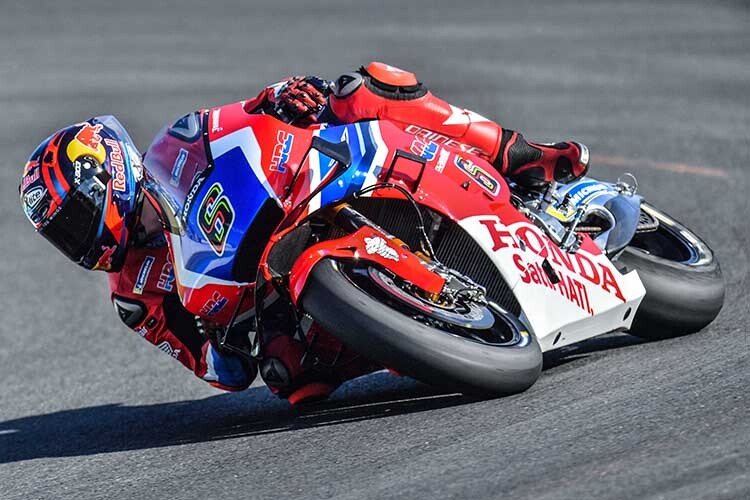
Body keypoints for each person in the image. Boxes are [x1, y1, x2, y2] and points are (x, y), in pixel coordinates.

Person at [19, 62, 589, 404]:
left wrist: (282, 96)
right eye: (62, 237)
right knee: (292, 382)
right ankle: (428, 337)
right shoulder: (132, 295)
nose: (75, 243)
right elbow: (216, 371)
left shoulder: (177, 142)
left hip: (302, 190)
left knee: (360, 89)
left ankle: (521, 154)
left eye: (72, 222)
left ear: (109, 175)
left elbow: (242, 116)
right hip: (272, 299)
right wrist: (226, 348)